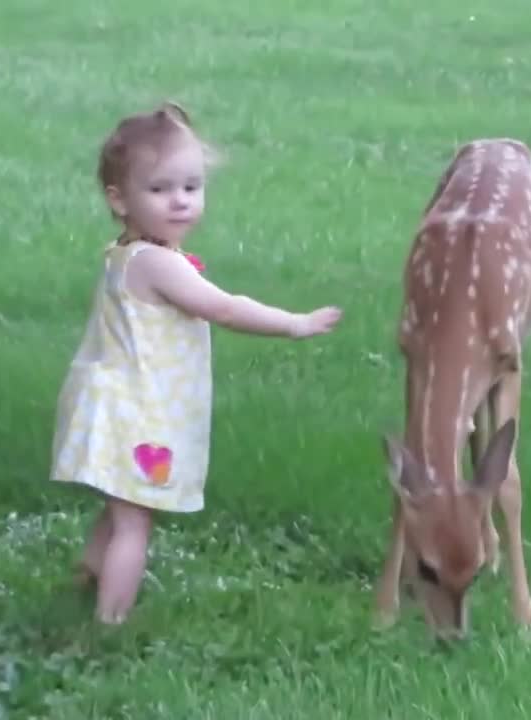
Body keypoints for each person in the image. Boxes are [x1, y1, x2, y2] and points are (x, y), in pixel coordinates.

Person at [49, 101, 343, 625]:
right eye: (160, 189)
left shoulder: (126, 252)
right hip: (136, 412)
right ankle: (110, 622)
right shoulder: (158, 263)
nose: (180, 200)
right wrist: (294, 323)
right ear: (120, 200)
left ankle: (85, 578)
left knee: (123, 508)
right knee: (134, 526)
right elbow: (225, 308)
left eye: (191, 186)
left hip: (117, 403)